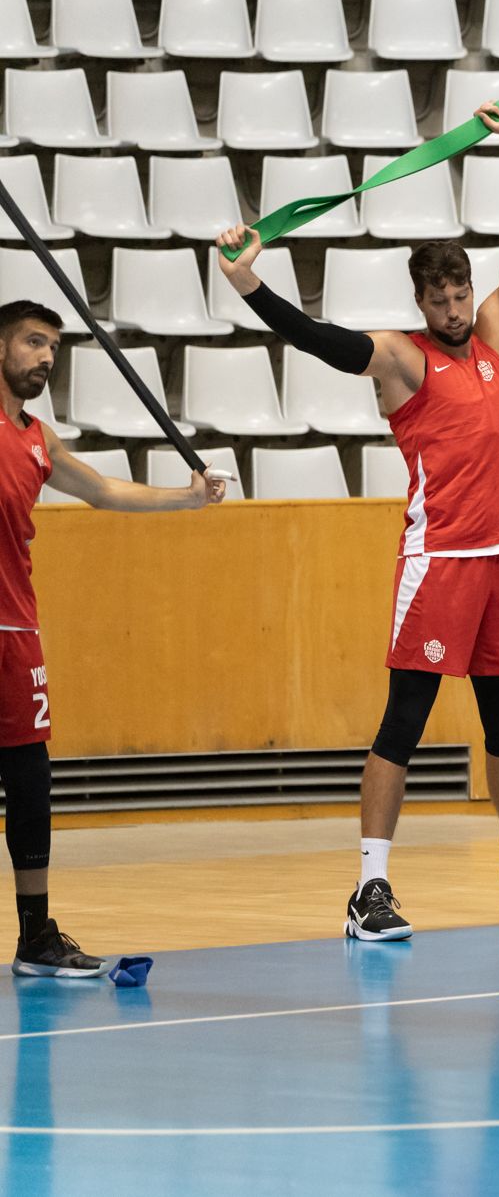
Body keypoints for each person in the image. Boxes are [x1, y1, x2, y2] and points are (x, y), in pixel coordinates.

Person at [215, 101, 499, 942]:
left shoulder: (497, 334)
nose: (457, 307)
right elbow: (317, 338)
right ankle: (369, 890)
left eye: (462, 292)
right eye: (443, 297)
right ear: (422, 301)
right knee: (405, 722)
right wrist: (249, 280)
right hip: (441, 563)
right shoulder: (401, 357)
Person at [0, 301, 227, 975]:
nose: (45, 357)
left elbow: (100, 490)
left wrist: (186, 498)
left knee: (31, 777)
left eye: (52, 347)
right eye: (32, 343)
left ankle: (36, 935)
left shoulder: (38, 439)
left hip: (16, 624)